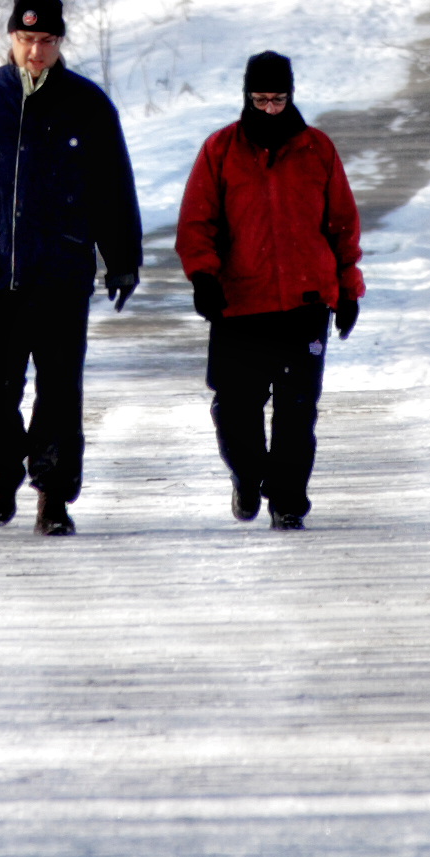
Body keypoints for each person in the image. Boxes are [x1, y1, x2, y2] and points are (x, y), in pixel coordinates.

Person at [0, 0, 141, 535]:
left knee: (60, 392)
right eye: (26, 39)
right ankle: (2, 470)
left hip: (63, 273)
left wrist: (122, 259)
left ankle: (53, 497)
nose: (35, 51)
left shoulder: (87, 105)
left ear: (60, 40)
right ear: (11, 38)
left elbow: (113, 190)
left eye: (45, 40)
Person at [175, 50, 363, 530]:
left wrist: (348, 291)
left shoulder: (317, 149)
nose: (270, 109)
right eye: (260, 99)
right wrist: (203, 277)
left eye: (278, 99)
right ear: (246, 97)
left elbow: (342, 225)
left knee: (297, 412)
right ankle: (246, 475)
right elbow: (197, 222)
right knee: (236, 411)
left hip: (305, 303)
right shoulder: (220, 150)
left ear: (291, 95)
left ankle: (287, 501)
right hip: (239, 304)